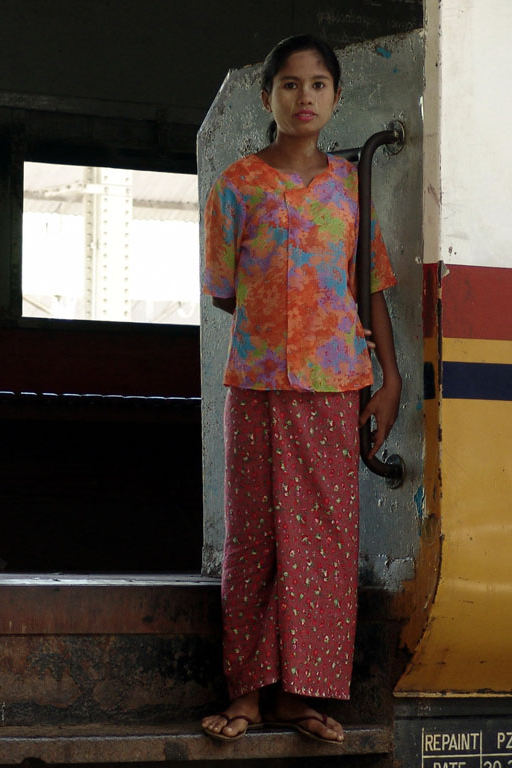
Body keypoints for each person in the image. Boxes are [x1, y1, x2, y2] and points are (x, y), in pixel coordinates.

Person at [199, 35, 401, 744]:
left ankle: (302, 695)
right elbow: (224, 291)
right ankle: (250, 693)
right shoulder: (235, 185)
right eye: (289, 84)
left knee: (321, 540)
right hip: (255, 380)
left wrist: (391, 377)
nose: (304, 96)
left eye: (317, 84)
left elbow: (367, 284)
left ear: (336, 98)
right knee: (255, 537)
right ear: (267, 98)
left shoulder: (350, 189)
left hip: (334, 382)